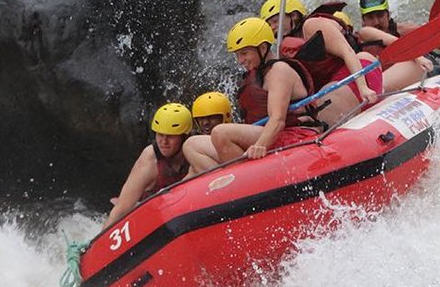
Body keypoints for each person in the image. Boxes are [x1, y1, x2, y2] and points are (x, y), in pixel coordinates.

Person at [183, 18, 321, 173]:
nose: (240, 61)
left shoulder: (279, 71)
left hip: (295, 135)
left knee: (220, 133)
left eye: (244, 53)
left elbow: (277, 120)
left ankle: (247, 178)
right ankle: (228, 183)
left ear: (262, 48)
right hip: (270, 136)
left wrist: (259, 145)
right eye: (237, 55)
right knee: (192, 145)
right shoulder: (261, 74)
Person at [104, 103, 192, 229]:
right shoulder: (150, 159)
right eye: (160, 134)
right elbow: (121, 209)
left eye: (171, 136)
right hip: (150, 217)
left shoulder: (195, 149)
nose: (164, 141)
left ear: (185, 136)